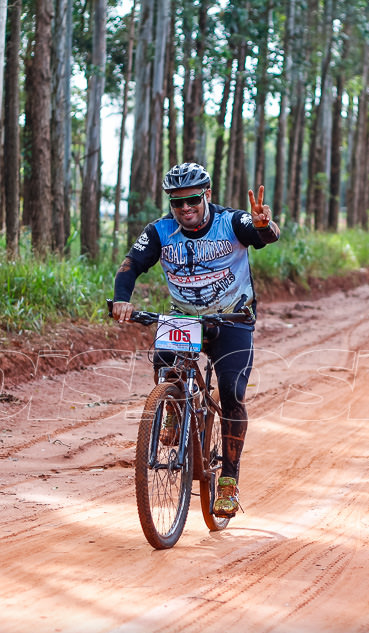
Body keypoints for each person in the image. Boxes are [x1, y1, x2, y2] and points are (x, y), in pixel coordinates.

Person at [111, 162, 280, 518]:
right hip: (186, 318)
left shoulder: (231, 222)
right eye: (177, 203)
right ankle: (172, 404)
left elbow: (262, 234)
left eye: (192, 200)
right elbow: (130, 265)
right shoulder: (160, 232)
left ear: (207, 196)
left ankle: (229, 482)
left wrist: (264, 225)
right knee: (164, 362)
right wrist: (122, 299)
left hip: (232, 317)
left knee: (232, 392)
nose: (186, 208)